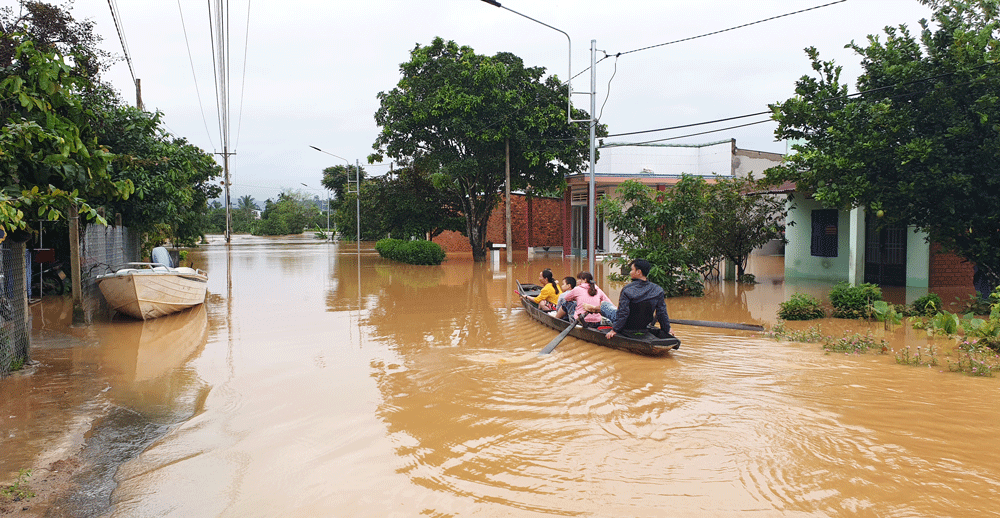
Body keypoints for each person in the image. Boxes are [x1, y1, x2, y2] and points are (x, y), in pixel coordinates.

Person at [604, 259, 671, 339]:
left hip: (627, 326)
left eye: (632, 270)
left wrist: (615, 330)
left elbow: (623, 313)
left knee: (604, 305)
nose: (630, 272)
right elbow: (662, 313)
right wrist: (667, 330)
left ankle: (596, 310)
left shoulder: (627, 289)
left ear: (638, 272)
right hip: (643, 325)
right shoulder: (658, 290)